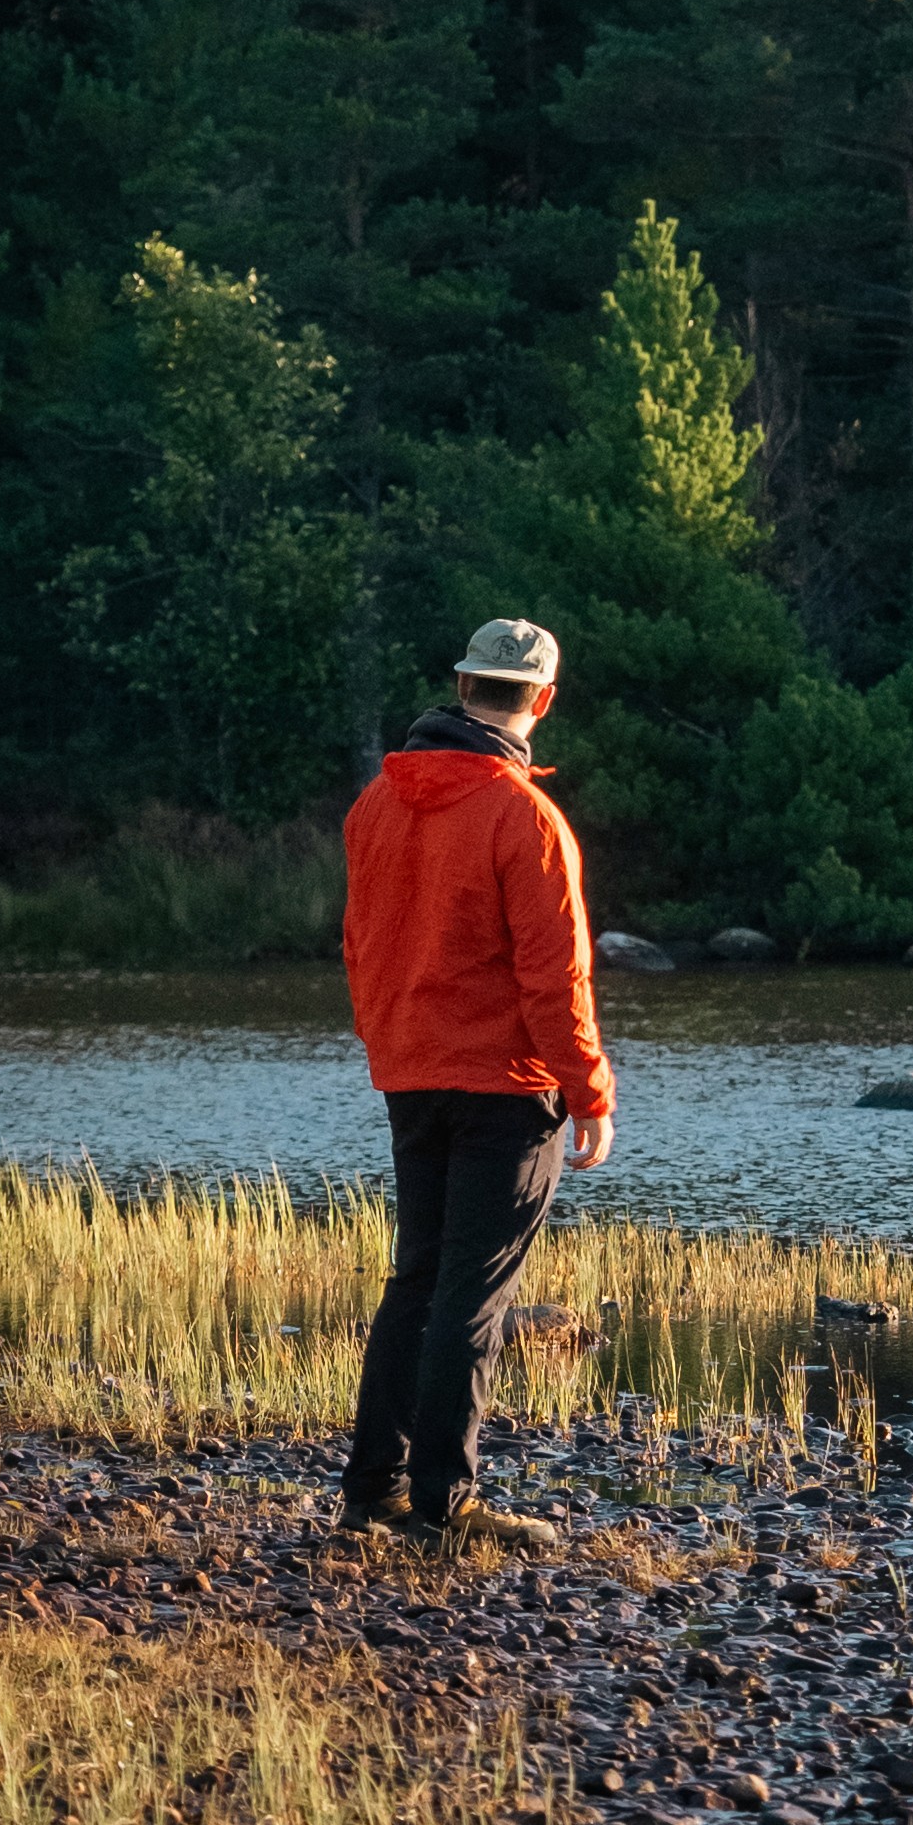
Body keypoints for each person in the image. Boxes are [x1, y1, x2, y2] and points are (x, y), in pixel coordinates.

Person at [334, 613, 614, 1536]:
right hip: (503, 1084)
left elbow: (361, 949)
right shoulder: (524, 815)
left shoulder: (375, 803)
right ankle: (444, 1505)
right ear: (542, 700)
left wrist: (389, 1047)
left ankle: (373, 1491)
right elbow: (555, 972)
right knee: (471, 1293)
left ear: (463, 688)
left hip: (410, 1075)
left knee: (417, 1280)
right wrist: (589, 1090)